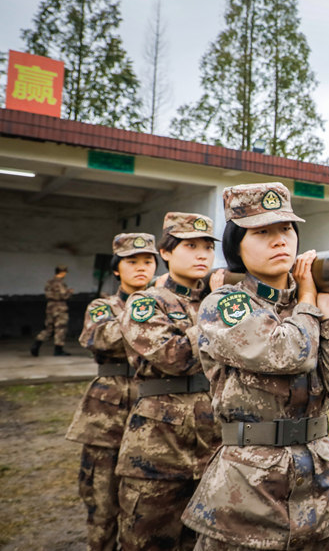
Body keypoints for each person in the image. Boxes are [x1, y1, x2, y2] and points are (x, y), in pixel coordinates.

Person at [182, 182, 329, 550]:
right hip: (248, 487)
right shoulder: (226, 304)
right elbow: (289, 353)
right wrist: (308, 301)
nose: (279, 241)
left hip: (317, 482)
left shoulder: (308, 302)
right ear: (236, 245)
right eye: (262, 232)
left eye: (286, 229)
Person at [115, 212, 223, 551]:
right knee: (146, 541)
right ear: (166, 253)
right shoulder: (145, 302)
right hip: (156, 450)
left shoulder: (219, 299)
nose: (202, 254)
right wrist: (216, 309)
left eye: (207, 246)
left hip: (214, 446)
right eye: (190, 246)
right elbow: (175, 358)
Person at [66, 233, 158, 551]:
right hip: (109, 419)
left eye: (148, 261)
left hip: (156, 418)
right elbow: (103, 338)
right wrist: (151, 314)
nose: (141, 268)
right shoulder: (102, 306)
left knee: (149, 512)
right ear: (117, 269)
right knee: (103, 507)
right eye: (132, 262)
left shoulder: (169, 303)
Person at [31, 264, 74, 356]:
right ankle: (58, 349)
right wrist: (69, 292)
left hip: (50, 306)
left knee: (48, 328)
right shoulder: (60, 283)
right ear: (62, 272)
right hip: (59, 307)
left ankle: (36, 344)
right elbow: (63, 295)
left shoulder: (49, 282)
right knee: (60, 328)